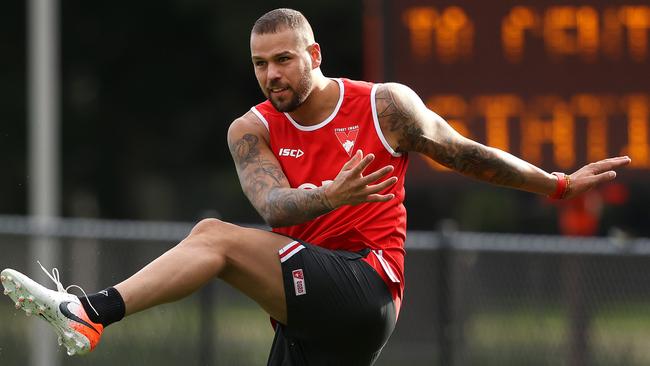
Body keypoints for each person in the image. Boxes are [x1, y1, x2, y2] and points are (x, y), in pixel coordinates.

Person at [1, 8, 631, 365]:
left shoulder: (386, 107)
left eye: (283, 59)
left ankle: (91, 313)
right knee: (220, 235)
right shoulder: (251, 129)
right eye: (259, 63)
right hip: (302, 317)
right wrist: (330, 195)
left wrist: (556, 185)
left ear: (315, 54)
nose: (270, 74)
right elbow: (272, 203)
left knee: (212, 237)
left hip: (366, 288)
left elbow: (467, 155)